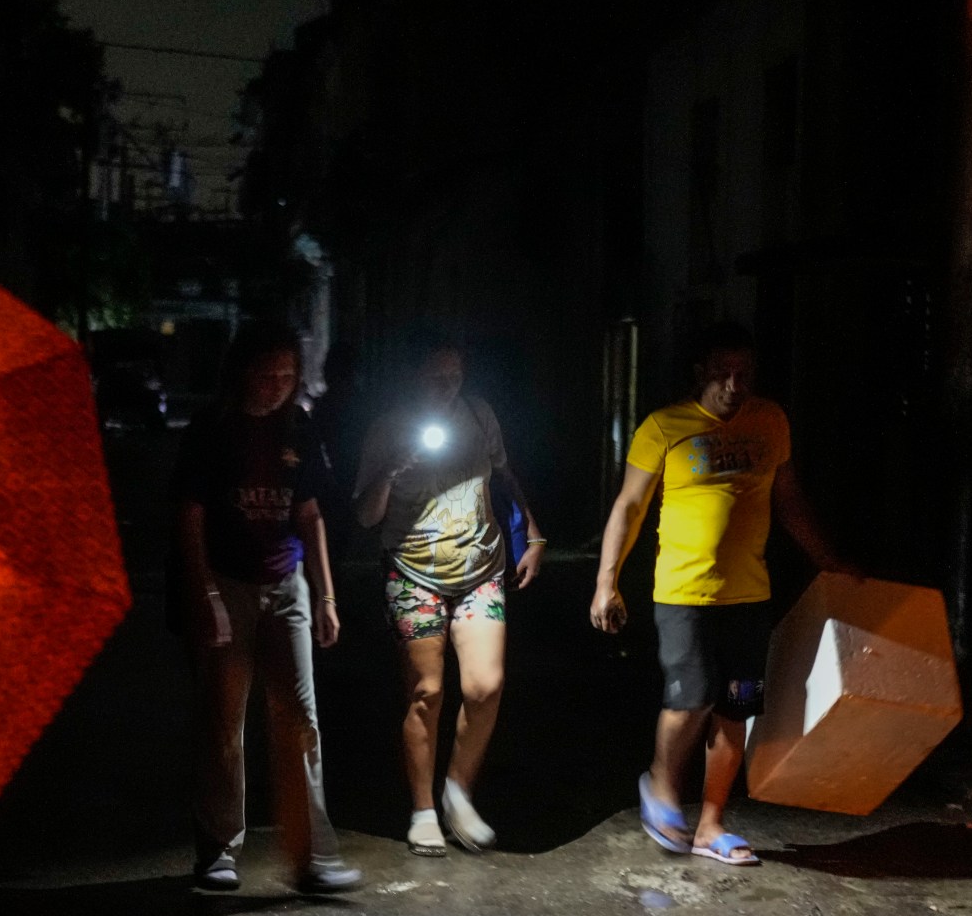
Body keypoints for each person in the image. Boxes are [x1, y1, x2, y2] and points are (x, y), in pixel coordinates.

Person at [589, 320, 857, 866]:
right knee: (691, 697)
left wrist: (828, 561)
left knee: (735, 708)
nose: (735, 385)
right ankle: (661, 787)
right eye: (723, 374)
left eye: (744, 374)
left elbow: (789, 501)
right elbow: (630, 507)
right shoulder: (665, 427)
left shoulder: (771, 421)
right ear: (700, 374)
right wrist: (606, 582)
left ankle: (711, 824)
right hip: (683, 593)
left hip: (748, 596)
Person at [175, 323, 361, 894]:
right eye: (265, 375)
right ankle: (218, 849)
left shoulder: (296, 427)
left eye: (287, 375)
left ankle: (310, 856)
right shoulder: (212, 430)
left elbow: (310, 513)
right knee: (224, 720)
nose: (276, 386)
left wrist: (325, 592)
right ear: (240, 373)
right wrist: (204, 595)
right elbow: (191, 518)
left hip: (287, 588)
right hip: (229, 582)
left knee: (300, 719)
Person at [354, 339, 544, 856]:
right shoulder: (387, 428)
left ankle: (458, 791)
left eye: (455, 377)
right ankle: (422, 811)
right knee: (427, 692)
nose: (447, 388)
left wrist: (532, 530)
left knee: (486, 685)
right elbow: (367, 517)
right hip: (413, 570)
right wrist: (392, 470)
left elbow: (503, 476)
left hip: (480, 566)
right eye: (436, 379)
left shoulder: (480, 416)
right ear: (413, 378)